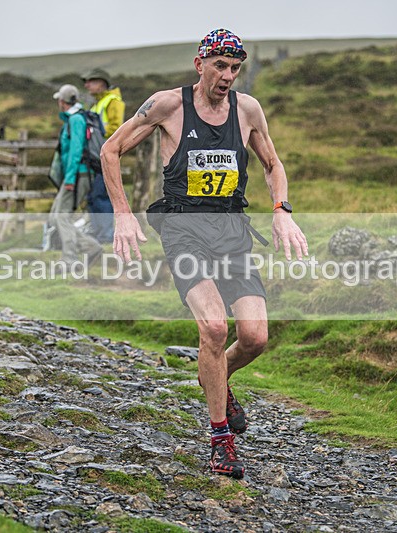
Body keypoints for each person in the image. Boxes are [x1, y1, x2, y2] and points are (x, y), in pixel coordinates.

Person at [100, 29, 307, 479]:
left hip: (232, 234)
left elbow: (272, 164)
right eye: (220, 66)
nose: (227, 76)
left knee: (254, 337)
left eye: (235, 69)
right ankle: (220, 441)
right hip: (183, 231)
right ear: (200, 64)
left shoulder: (248, 110)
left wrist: (281, 210)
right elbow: (110, 149)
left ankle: (214, 374)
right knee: (214, 326)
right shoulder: (168, 106)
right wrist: (121, 213)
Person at [49, 84, 102, 266]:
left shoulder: (76, 120)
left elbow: (76, 151)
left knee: (61, 216)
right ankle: (90, 246)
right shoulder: (74, 119)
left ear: (62, 101)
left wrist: (70, 179)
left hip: (78, 175)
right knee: (55, 217)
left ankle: (70, 258)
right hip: (75, 175)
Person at [82, 68, 125, 244]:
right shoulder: (96, 104)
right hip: (95, 157)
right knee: (92, 197)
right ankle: (98, 233)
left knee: (101, 195)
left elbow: (117, 128)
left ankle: (106, 235)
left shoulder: (113, 101)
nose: (87, 85)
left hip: (106, 157)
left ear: (102, 83)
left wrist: (98, 133)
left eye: (91, 81)